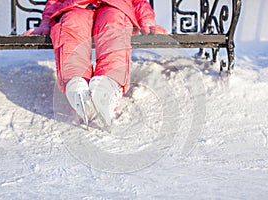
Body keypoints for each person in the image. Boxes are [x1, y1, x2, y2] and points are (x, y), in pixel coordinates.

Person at [24, 0, 166, 127]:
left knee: (114, 26)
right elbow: (54, 2)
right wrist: (45, 23)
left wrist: (147, 21)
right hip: (76, 6)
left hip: (115, 6)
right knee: (71, 25)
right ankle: (76, 84)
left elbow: (139, 1)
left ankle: (109, 85)